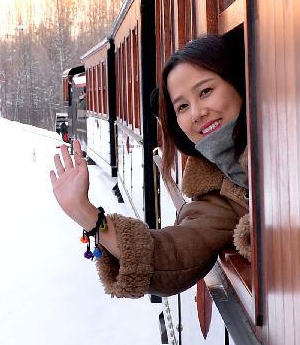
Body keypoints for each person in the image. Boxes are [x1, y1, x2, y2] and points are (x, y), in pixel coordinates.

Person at [50, 35, 250, 298]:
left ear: (239, 82)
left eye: (206, 91)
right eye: (182, 106)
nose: (197, 113)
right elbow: (170, 256)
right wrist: (87, 215)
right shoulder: (220, 195)